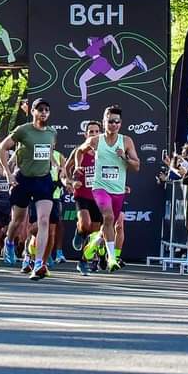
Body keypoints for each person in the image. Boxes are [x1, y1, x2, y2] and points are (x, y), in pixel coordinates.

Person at [0, 98, 57, 280]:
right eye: (40, 110)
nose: (43, 113)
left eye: (46, 110)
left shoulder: (52, 132)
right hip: (22, 179)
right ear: (33, 112)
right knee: (17, 220)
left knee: (44, 221)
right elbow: (1, 147)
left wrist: (56, 167)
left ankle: (38, 263)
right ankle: (9, 242)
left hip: (43, 180)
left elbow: (49, 153)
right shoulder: (23, 130)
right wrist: (8, 173)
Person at [77, 105, 140, 272]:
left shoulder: (126, 141)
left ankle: (94, 243)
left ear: (120, 123)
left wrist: (124, 157)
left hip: (118, 190)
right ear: (104, 122)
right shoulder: (96, 140)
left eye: (117, 122)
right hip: (100, 188)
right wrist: (77, 166)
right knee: (109, 217)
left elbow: (137, 166)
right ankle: (112, 258)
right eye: (110, 121)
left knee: (108, 225)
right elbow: (79, 151)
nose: (113, 125)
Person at [66, 35, 148, 111]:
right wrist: (72, 47)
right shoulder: (89, 49)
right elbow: (81, 54)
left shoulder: (95, 44)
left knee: (82, 80)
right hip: (101, 62)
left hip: (98, 62)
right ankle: (135, 63)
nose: (88, 40)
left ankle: (83, 101)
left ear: (92, 40)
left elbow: (109, 37)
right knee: (115, 77)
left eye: (89, 39)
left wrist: (117, 48)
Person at [64, 121, 103, 275]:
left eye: (96, 132)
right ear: (85, 135)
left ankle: (83, 261)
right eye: (91, 132)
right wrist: (72, 182)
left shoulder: (105, 152)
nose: (93, 134)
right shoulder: (79, 151)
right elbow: (66, 169)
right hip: (82, 195)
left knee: (93, 235)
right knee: (85, 224)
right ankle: (79, 232)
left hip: (99, 196)